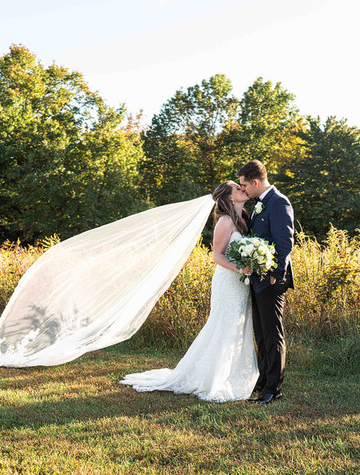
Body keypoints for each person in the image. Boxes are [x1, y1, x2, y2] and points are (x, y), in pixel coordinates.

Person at [120, 181, 259, 402]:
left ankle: (235, 374)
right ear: (230, 197)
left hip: (241, 282)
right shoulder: (225, 221)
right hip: (228, 281)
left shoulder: (244, 218)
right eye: (237, 188)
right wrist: (240, 268)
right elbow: (217, 256)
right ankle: (215, 377)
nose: (243, 188)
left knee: (239, 326)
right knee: (223, 325)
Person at [237, 160, 294, 404]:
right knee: (261, 334)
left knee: (272, 334)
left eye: (244, 185)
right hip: (257, 280)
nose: (243, 189)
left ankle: (274, 388)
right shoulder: (260, 204)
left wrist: (274, 275)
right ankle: (262, 383)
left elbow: (285, 242)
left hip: (271, 280)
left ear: (255, 182)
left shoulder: (279, 202)